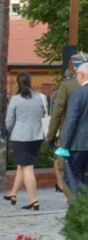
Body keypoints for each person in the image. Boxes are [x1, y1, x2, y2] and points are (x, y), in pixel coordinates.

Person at [3, 72, 47, 210]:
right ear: (30, 82)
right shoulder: (41, 97)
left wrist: (13, 130)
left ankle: (34, 200)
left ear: (17, 83)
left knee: (27, 167)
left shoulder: (16, 99)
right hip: (37, 135)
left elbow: (9, 121)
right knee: (22, 165)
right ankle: (13, 193)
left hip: (21, 136)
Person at [48, 53, 87, 199]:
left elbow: (58, 112)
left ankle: (75, 208)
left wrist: (51, 137)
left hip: (71, 138)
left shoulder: (68, 84)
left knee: (68, 174)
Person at [59, 63, 88, 194]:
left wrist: (64, 145)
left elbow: (71, 121)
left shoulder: (77, 94)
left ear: (81, 75)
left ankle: (81, 206)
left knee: (74, 177)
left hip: (78, 144)